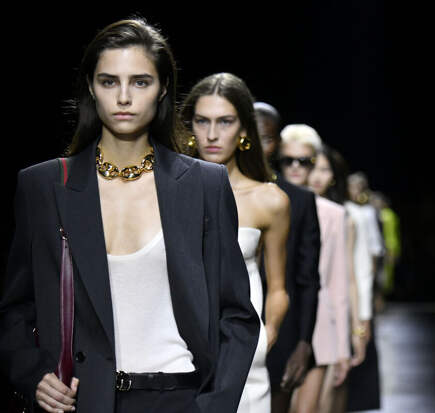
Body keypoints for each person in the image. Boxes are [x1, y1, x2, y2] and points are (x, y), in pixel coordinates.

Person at [0, 19, 260, 413]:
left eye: (140, 82)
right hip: (81, 400)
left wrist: (214, 406)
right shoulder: (44, 186)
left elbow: (236, 313)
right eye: (109, 82)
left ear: (163, 88)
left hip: (179, 397)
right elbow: (16, 307)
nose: (124, 97)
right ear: (91, 87)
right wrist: (33, 373)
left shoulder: (204, 185)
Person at [180, 73, 290, 413]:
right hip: (176, 349)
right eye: (202, 121)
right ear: (190, 126)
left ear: (243, 130)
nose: (212, 134)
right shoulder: (164, 192)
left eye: (225, 122)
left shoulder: (269, 200)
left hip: (244, 352)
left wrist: (266, 336)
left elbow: (278, 286)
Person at [277, 125, 351, 413]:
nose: (296, 167)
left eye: (304, 161)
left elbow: (339, 281)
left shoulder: (334, 214)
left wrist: (344, 346)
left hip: (317, 322)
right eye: (288, 160)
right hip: (276, 318)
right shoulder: (266, 201)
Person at [254, 103, 321, 413]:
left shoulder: (300, 200)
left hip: (282, 332)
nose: (255, 145)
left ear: (277, 144)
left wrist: (304, 343)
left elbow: (307, 278)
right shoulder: (212, 188)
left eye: (266, 138)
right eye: (249, 136)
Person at [307, 145, 367, 413]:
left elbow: (348, 278)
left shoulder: (342, 218)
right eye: (313, 168)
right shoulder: (282, 207)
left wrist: (356, 330)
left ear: (333, 176)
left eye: (324, 170)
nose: (317, 176)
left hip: (327, 317)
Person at [344, 171, 383, 412]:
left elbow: (369, 257)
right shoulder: (347, 211)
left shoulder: (362, 214)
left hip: (356, 288)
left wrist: (365, 312)